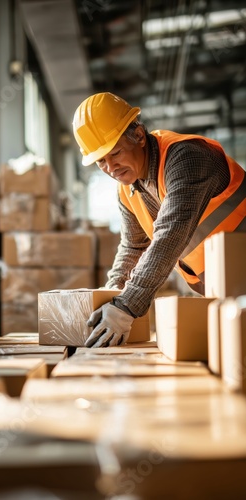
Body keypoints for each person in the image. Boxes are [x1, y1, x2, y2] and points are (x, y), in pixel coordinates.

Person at [72, 92, 246, 348]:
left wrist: (127, 306)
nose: (111, 168)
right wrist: (111, 294)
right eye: (101, 161)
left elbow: (170, 233)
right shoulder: (128, 190)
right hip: (226, 287)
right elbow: (133, 247)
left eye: (115, 153)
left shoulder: (187, 158)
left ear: (139, 136)